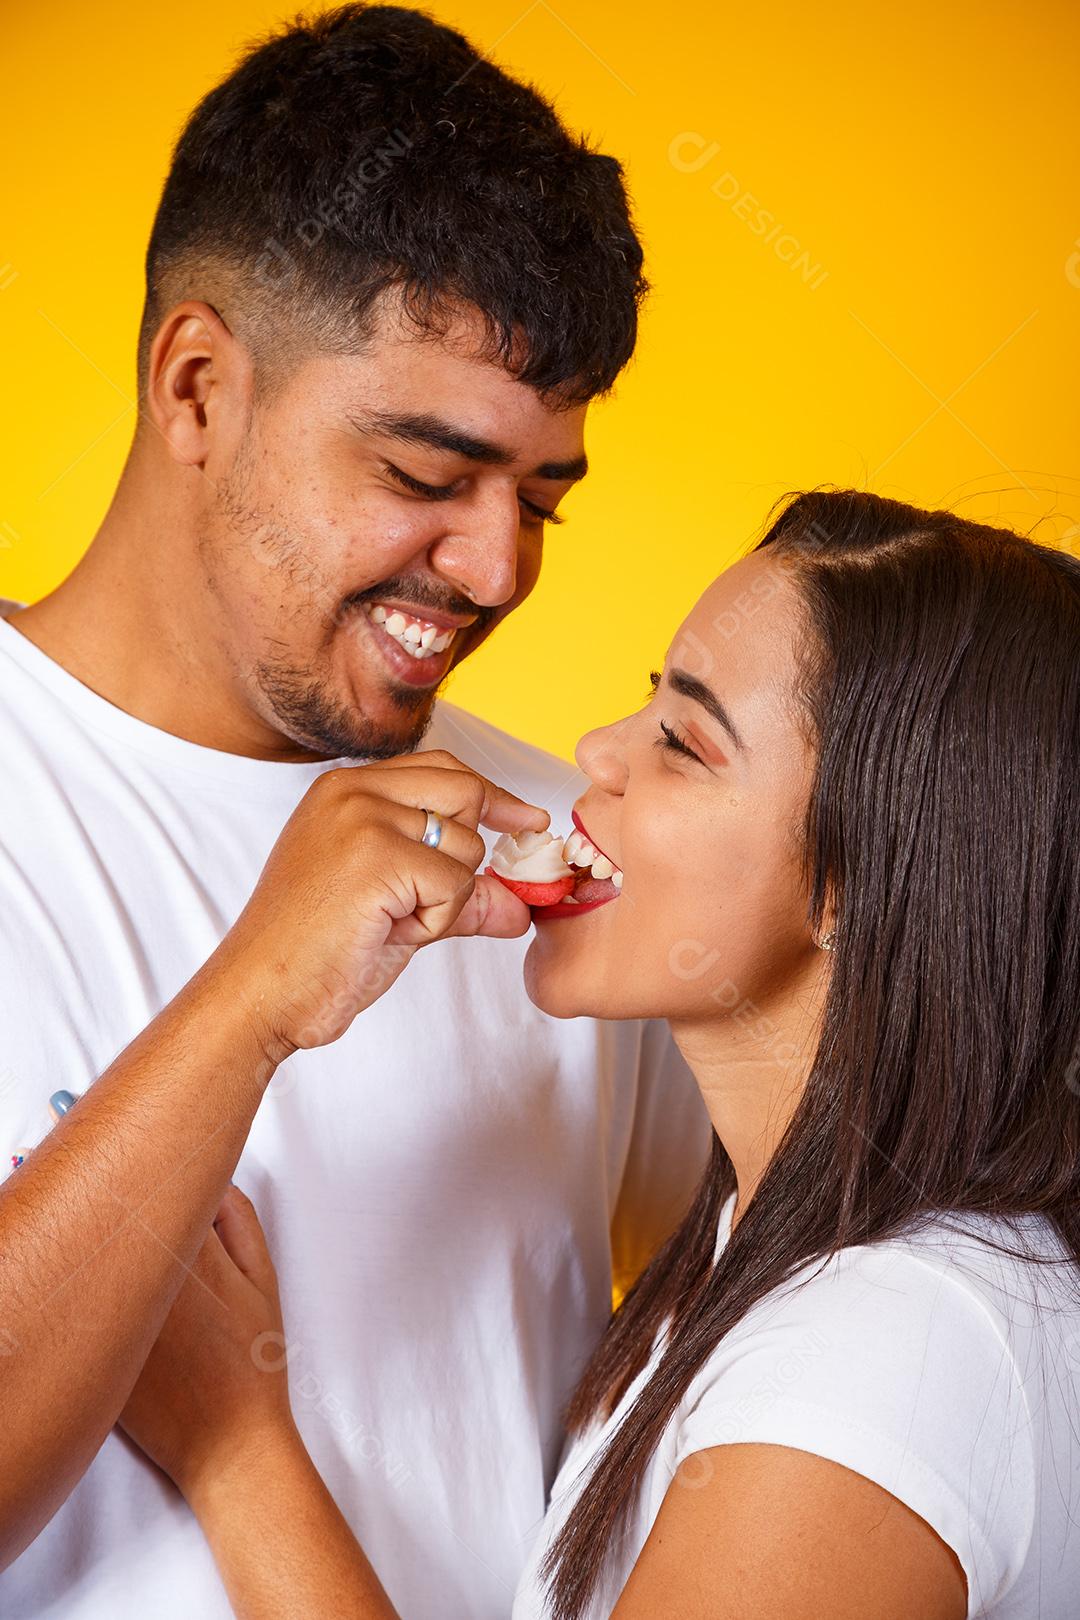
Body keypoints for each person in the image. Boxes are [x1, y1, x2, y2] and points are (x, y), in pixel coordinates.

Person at [0, 7, 711, 1616]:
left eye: (540, 500)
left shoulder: (563, 836)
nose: (496, 569)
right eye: (424, 475)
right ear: (197, 388)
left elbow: (827, 1273)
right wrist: (254, 997)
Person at [116, 489, 1080, 1619]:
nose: (597, 752)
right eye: (649, 697)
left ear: (858, 886)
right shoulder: (766, 1263)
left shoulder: (889, 1356)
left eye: (683, 743)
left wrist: (234, 1447)